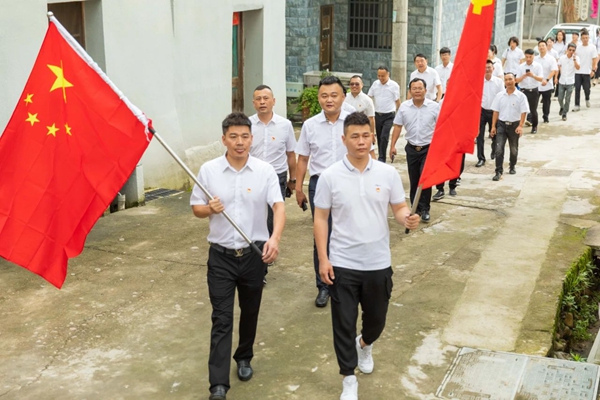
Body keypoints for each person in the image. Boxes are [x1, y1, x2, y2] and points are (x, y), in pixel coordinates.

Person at [313, 112, 420, 400]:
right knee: (343, 324)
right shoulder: (329, 176)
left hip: (377, 262)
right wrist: (323, 258)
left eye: (365, 136)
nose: (361, 141)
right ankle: (348, 378)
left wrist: (407, 218)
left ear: (372, 137)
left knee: (376, 321)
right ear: (344, 139)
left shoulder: (387, 173)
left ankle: (366, 343)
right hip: (343, 263)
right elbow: (320, 218)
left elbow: (398, 208)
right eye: (355, 136)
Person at [191, 112, 286, 400]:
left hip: (253, 255)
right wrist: (209, 209)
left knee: (250, 310)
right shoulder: (209, 170)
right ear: (224, 139)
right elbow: (196, 207)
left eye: (244, 136)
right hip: (220, 257)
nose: (240, 142)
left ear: (251, 138)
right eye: (233, 136)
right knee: (222, 318)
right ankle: (218, 384)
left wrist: (274, 238)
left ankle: (244, 356)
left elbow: (278, 206)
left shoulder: (264, 171)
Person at [296, 75, 349, 308]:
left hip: (348, 184)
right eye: (324, 96)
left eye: (334, 95)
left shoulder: (353, 121)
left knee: (347, 232)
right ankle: (324, 286)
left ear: (343, 97)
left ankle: (345, 282)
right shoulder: (310, 125)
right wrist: (299, 187)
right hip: (319, 185)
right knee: (322, 234)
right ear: (318, 98)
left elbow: (368, 151)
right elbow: (303, 158)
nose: (329, 100)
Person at [389, 78, 440, 223]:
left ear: (425, 90)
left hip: (428, 148)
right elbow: (397, 126)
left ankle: (425, 209)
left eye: (420, 88)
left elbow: (441, 127)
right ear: (410, 91)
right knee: (414, 179)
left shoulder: (434, 107)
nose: (417, 91)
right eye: (414, 88)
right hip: (411, 148)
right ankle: (415, 208)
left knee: (425, 179)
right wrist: (392, 146)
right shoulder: (404, 107)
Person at [490, 73, 530, 181]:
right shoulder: (499, 96)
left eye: (510, 79)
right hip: (501, 125)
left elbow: (524, 112)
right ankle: (498, 171)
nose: (508, 81)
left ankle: (512, 165)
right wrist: (493, 126)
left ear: (515, 80)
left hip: (514, 125)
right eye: (506, 79)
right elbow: (495, 112)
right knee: (499, 149)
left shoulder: (521, 96)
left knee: (513, 149)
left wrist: (520, 126)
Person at [367, 66, 400, 163]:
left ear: (388, 74)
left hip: (389, 115)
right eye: (379, 76)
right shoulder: (375, 84)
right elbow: (369, 97)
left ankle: (382, 158)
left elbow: (397, 101)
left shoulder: (394, 85)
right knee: (379, 136)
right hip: (377, 115)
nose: (381, 78)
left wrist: (399, 114)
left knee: (384, 136)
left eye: (383, 76)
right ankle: (381, 154)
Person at [476, 60, 504, 167]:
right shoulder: (478, 81)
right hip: (481, 111)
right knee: (479, 135)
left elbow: (501, 97)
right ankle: (481, 158)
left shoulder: (498, 82)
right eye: (485, 67)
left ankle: (494, 149)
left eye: (489, 67)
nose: (487, 69)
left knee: (495, 134)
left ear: (493, 69)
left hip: (494, 112)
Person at [515, 49, 543, 134]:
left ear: (533, 56)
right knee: (520, 109)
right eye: (526, 57)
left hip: (534, 90)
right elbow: (517, 80)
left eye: (530, 57)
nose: (528, 59)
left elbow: (541, 78)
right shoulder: (521, 67)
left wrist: (533, 75)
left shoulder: (538, 66)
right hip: (523, 90)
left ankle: (534, 126)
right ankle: (518, 126)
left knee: (533, 110)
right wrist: (524, 76)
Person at [573, 29, 598, 112]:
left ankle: (587, 98)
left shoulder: (592, 47)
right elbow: (574, 57)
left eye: (586, 38)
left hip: (587, 71)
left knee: (587, 88)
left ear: (589, 38)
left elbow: (594, 59)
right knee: (577, 88)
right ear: (581, 38)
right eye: (583, 38)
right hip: (578, 71)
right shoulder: (577, 48)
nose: (585, 39)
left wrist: (593, 70)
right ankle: (577, 105)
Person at [535, 40, 558, 124]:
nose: (541, 47)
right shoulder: (535, 59)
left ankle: (545, 116)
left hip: (547, 84)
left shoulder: (551, 59)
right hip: (536, 84)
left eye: (543, 46)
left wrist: (547, 80)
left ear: (546, 47)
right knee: (534, 102)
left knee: (546, 102)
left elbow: (553, 70)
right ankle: (531, 118)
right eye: (540, 46)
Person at [558, 43, 580, 121]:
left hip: (570, 81)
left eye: (573, 50)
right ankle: (562, 107)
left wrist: (574, 60)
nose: (571, 51)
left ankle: (564, 113)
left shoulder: (577, 58)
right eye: (570, 50)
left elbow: (578, 68)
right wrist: (557, 76)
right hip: (562, 81)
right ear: (567, 49)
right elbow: (559, 66)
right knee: (560, 98)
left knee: (567, 98)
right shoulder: (562, 58)